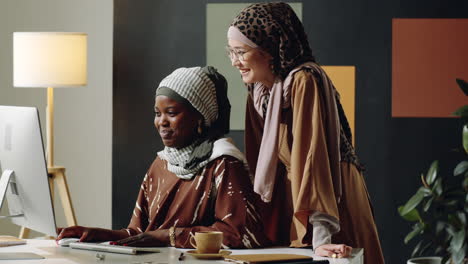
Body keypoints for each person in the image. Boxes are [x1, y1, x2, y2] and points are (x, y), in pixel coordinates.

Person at [226, 2, 385, 263]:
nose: (234, 62)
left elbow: (314, 159)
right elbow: (264, 166)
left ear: (269, 49)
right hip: (299, 199)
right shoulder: (260, 91)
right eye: (231, 52)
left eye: (241, 52)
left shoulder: (303, 81)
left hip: (332, 197)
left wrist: (322, 238)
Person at [57, 66, 270, 249]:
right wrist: (97, 235)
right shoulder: (162, 162)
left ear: (200, 116)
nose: (162, 122)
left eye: (171, 112)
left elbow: (240, 235)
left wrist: (169, 236)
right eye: (158, 113)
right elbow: (141, 233)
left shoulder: (223, 162)